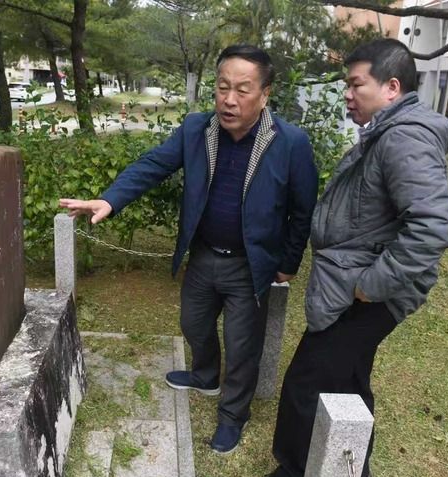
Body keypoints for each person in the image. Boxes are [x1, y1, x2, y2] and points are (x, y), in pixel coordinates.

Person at [60, 45, 318, 455]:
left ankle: (233, 415)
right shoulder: (197, 129)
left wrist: (288, 263)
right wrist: (110, 199)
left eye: (242, 90)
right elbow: (152, 165)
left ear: (265, 93)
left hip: (250, 265)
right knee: (194, 324)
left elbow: (302, 210)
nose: (229, 99)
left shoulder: (291, 143)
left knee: (242, 346)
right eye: (222, 87)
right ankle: (205, 375)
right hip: (203, 255)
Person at [266, 38, 448, 477]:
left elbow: (432, 227)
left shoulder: (404, 137)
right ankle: (351, 470)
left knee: (307, 383)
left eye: (356, 84)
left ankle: (296, 470)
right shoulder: (388, 131)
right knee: (347, 379)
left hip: (367, 292)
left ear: (392, 87)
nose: (347, 95)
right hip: (355, 283)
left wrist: (370, 286)